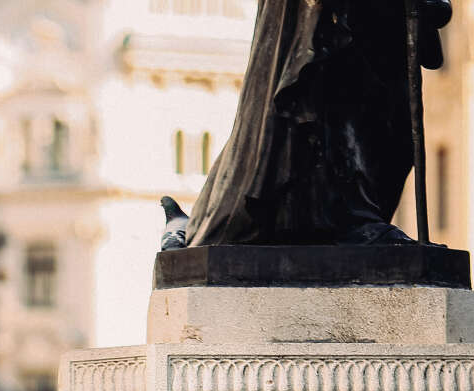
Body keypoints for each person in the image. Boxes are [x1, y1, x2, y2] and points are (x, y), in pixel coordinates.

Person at [183, 0, 451, 246]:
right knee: (335, 98)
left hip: (381, 22)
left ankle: (363, 216)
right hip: (332, 20)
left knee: (396, 126)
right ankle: (350, 215)